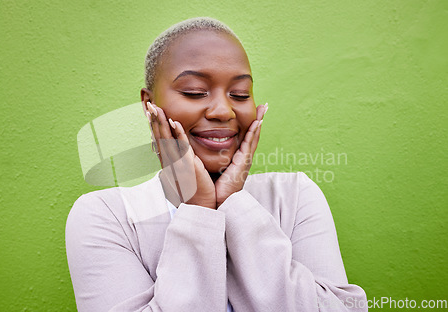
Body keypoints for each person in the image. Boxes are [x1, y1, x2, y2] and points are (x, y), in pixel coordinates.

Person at [66, 17, 368, 312]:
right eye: (195, 91)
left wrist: (234, 202)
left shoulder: (294, 195)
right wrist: (198, 209)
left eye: (240, 94)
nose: (224, 111)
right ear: (149, 105)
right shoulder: (107, 216)